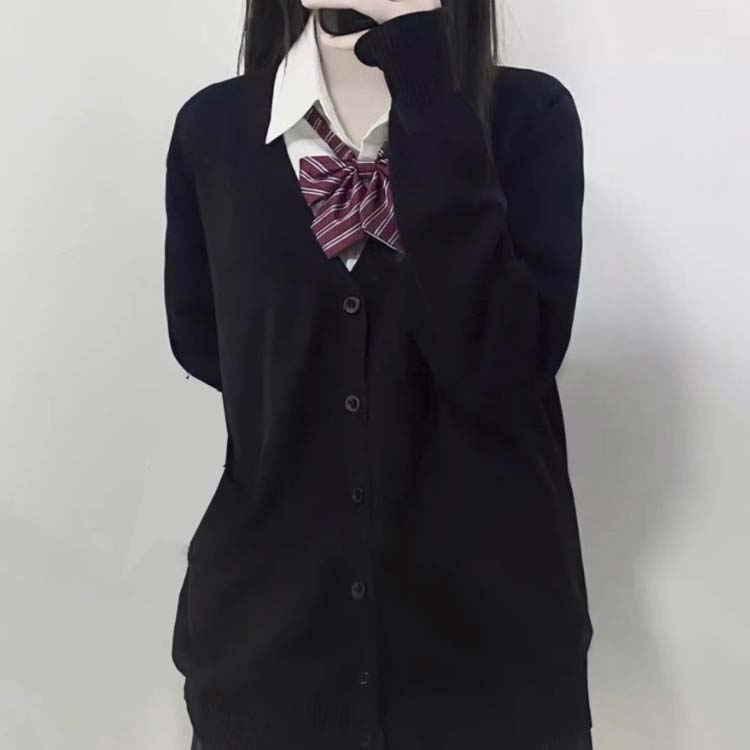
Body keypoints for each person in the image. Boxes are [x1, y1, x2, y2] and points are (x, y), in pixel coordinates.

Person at [164, 2, 594, 749]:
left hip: (491, 665)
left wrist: (422, 68)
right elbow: (211, 345)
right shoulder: (216, 130)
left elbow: (504, 367)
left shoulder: (528, 117)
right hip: (270, 655)